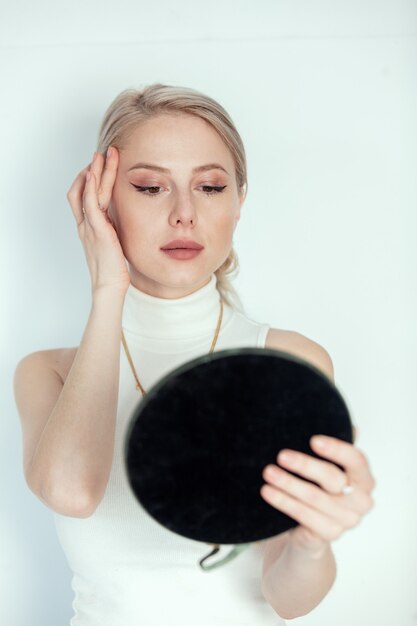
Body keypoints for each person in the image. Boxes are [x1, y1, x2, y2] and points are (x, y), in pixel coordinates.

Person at [13, 83, 375, 625]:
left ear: (238, 203)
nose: (184, 213)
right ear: (102, 200)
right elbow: (72, 492)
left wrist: (311, 542)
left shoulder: (286, 363)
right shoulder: (48, 371)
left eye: (209, 186)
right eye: (150, 187)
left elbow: (288, 598)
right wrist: (107, 288)